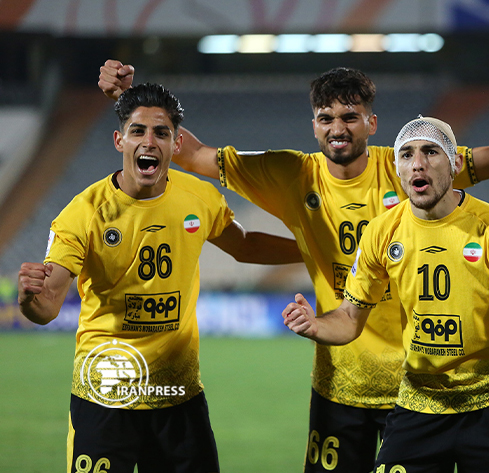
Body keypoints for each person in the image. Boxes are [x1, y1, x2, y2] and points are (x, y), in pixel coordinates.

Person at [99, 61, 489, 472]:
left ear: (372, 124)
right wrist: (131, 96)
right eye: (327, 118)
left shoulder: (411, 161)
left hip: (420, 386)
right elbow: (187, 151)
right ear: (313, 126)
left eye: (350, 117)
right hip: (342, 381)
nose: (338, 128)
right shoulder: (291, 174)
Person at [17, 83, 302, 473]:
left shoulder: (198, 197)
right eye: (138, 131)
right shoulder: (81, 213)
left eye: (161, 133)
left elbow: (245, 245)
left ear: (175, 143)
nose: (149, 141)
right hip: (106, 391)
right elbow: (48, 306)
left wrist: (311, 247)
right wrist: (29, 299)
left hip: (177, 395)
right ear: (120, 140)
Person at [283, 116, 489, 472]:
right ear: (398, 168)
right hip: (420, 403)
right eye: (407, 155)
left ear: (456, 163)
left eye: (431, 152)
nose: (418, 163)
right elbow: (350, 320)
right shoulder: (382, 232)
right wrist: (315, 326)